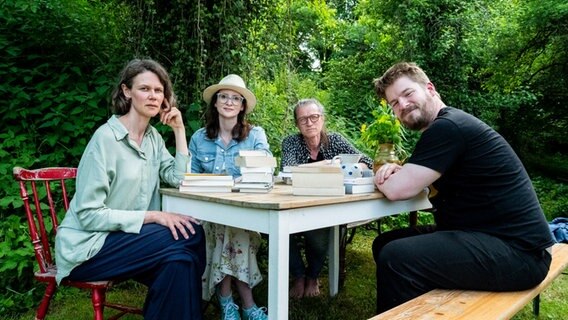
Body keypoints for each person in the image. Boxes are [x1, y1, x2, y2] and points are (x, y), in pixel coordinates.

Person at [371, 62, 555, 313]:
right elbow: (415, 178)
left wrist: (381, 176)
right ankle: (424, 311)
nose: (402, 105)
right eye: (394, 103)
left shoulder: (447, 127)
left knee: (395, 257)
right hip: (486, 236)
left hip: (520, 253)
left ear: (430, 89)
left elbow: (397, 190)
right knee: (384, 242)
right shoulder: (447, 126)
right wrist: (401, 173)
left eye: (407, 94)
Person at [54, 59, 206, 319]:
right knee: (191, 235)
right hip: (88, 249)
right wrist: (154, 216)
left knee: (180, 263)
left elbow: (179, 178)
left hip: (128, 241)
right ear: (127, 91)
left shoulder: (153, 138)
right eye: (145, 89)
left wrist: (179, 131)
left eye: (159, 91)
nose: (153, 96)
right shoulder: (105, 140)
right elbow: (89, 214)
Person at [189, 74, 269, 320]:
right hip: (207, 215)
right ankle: (247, 305)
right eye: (224, 96)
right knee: (224, 230)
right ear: (215, 102)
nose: (229, 102)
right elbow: (189, 179)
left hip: (245, 214)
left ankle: (227, 302)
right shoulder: (199, 138)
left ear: (243, 106)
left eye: (236, 98)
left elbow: (265, 170)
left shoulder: (255, 135)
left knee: (231, 230)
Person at [280, 98, 373, 299]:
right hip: (295, 202)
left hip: (328, 204)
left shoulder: (336, 140)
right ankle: (298, 275)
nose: (309, 123)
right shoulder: (291, 142)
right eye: (303, 119)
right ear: (297, 124)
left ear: (322, 119)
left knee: (318, 236)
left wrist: (344, 167)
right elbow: (288, 171)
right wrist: (330, 164)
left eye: (314, 117)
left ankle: (312, 276)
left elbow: (367, 162)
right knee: (278, 231)